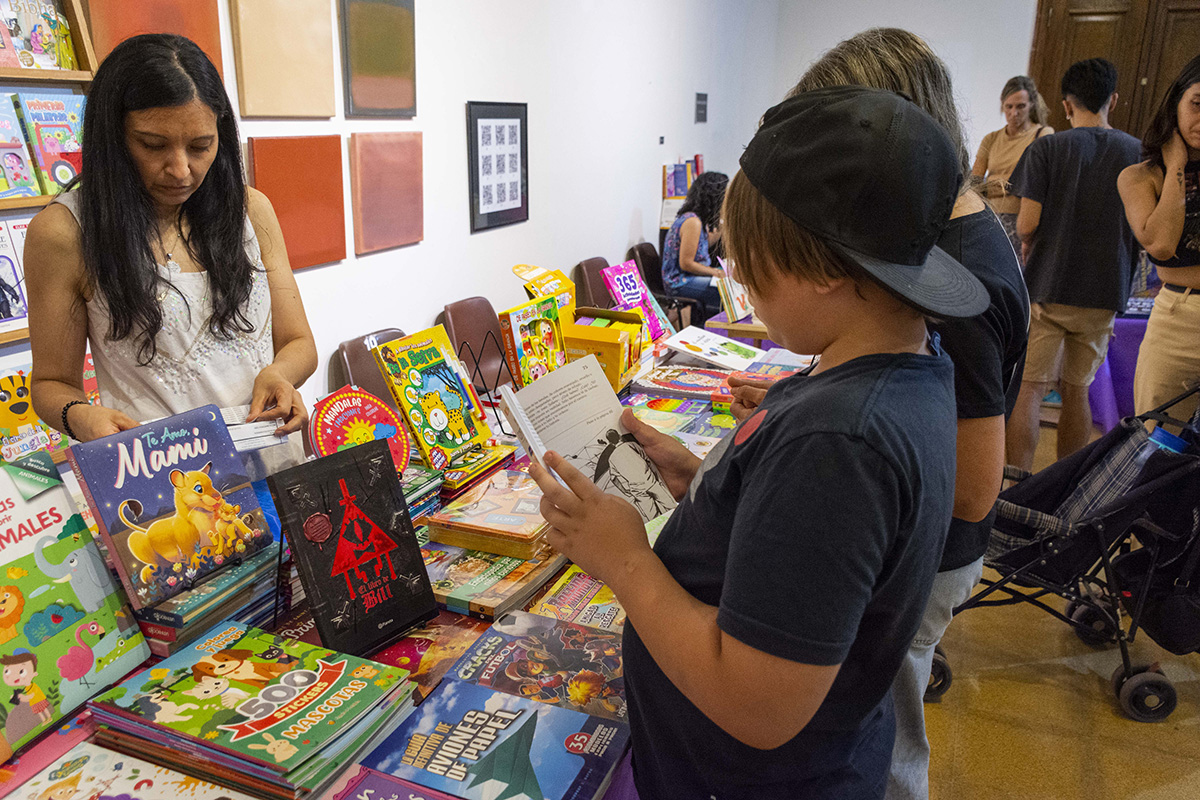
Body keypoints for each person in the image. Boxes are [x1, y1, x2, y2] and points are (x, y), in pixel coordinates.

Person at [528, 86, 988, 799]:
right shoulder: (905, 368)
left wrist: (624, 558)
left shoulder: (841, 442)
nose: (739, 278)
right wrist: (706, 478)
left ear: (829, 269)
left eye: (750, 263)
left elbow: (759, 703)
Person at [757, 27, 1028, 800]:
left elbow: (973, 487)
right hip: (906, 549)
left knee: (885, 742)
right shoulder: (945, 238)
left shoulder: (958, 271)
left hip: (921, 561)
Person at [25, 34, 316, 449]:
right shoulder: (65, 232)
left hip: (271, 456)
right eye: (152, 145)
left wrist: (279, 374)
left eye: (201, 146)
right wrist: (81, 417)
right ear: (113, 137)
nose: (180, 170)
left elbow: (298, 343)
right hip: (164, 477)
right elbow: (51, 383)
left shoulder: (250, 211)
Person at [1006, 58, 1142, 470]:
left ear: (1066, 105)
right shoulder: (1137, 152)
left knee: (1029, 388)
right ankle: (1066, 486)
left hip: (1049, 284)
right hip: (1105, 290)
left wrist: (1030, 239)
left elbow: (1026, 223)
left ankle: (1021, 487)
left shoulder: (1048, 147)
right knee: (1077, 390)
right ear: (1113, 99)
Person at [1118, 54, 1200, 424]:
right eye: (1197, 104)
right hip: (1179, 318)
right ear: (1176, 101)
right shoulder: (1139, 176)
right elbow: (1162, 245)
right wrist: (1177, 166)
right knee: (1157, 438)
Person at [972, 75, 1054, 263]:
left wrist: (994, 186)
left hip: (1021, 218)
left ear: (1031, 104)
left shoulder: (1042, 134)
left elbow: (1038, 183)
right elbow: (975, 181)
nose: (1014, 113)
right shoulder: (991, 138)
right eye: (1009, 107)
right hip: (989, 217)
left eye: (1020, 106)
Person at [660, 171, 728, 319]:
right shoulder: (693, 222)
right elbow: (686, 264)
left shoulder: (695, 219)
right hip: (679, 282)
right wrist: (714, 272)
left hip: (687, 277)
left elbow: (700, 247)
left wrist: (721, 227)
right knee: (727, 291)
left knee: (730, 281)